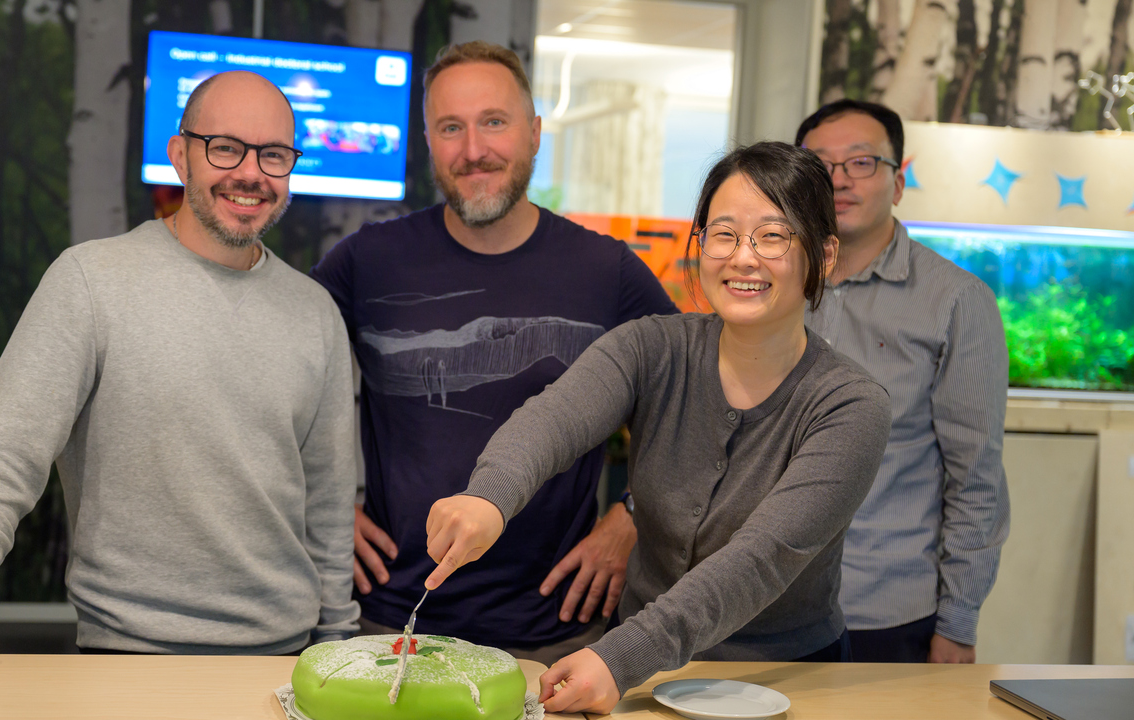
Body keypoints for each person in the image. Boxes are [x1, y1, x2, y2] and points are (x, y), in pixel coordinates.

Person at [0, 71, 359, 678]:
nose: (250, 173)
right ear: (180, 156)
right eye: (225, 147)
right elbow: (2, 461)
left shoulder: (315, 312)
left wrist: (337, 650)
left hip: (286, 662)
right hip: (126, 657)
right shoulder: (90, 281)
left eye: (273, 155)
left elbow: (328, 507)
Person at [423, 142, 894, 713]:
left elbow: (762, 557)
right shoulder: (652, 347)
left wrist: (619, 657)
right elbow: (556, 417)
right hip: (648, 680)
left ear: (822, 255)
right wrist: (488, 499)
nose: (743, 258)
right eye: (723, 233)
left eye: (773, 236)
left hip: (785, 679)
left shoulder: (850, 406)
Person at [309, 41, 678, 665]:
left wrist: (632, 516)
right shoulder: (368, 260)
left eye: (495, 122)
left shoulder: (606, 270)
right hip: (388, 624)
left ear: (535, 133)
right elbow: (273, 382)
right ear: (429, 140)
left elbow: (695, 400)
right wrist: (317, 509)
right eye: (451, 127)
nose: (474, 149)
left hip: (557, 631)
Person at [795, 100, 1010, 664]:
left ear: (898, 179)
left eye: (861, 162)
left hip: (884, 611)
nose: (839, 180)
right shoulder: (768, 285)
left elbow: (977, 480)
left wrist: (958, 624)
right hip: (760, 602)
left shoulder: (955, 301)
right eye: (820, 164)